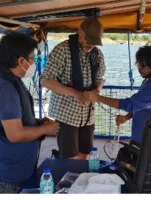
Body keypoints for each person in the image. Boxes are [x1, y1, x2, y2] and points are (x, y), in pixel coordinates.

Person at [0, 32, 60, 193]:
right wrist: (45, 129)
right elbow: (15, 134)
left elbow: (13, 120)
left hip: (20, 172)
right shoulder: (4, 89)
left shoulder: (11, 80)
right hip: (9, 179)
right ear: (20, 61)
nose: (34, 63)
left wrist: (37, 122)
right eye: (32, 59)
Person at [41, 18, 106, 160]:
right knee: (69, 158)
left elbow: (100, 79)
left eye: (94, 41)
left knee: (84, 155)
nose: (91, 44)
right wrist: (75, 93)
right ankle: (69, 181)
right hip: (67, 115)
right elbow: (45, 80)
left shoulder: (98, 55)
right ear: (80, 32)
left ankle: (79, 179)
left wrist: (96, 91)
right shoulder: (62, 50)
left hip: (88, 116)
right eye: (88, 39)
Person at [85, 45, 151, 145]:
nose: (139, 69)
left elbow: (129, 105)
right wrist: (126, 117)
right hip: (139, 138)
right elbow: (141, 106)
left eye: (143, 66)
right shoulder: (148, 81)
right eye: (138, 65)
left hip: (149, 142)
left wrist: (97, 97)